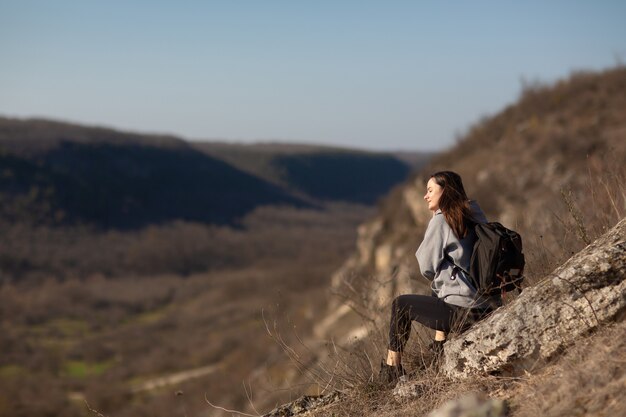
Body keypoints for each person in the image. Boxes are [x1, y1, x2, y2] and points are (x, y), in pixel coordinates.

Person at [378, 171, 499, 384]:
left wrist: (435, 223)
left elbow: (426, 267)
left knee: (401, 304)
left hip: (464, 311)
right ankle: (439, 347)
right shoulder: (475, 214)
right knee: (439, 288)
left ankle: (391, 369)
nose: (426, 196)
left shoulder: (442, 220)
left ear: (446, 192)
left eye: (430, 190)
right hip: (488, 306)